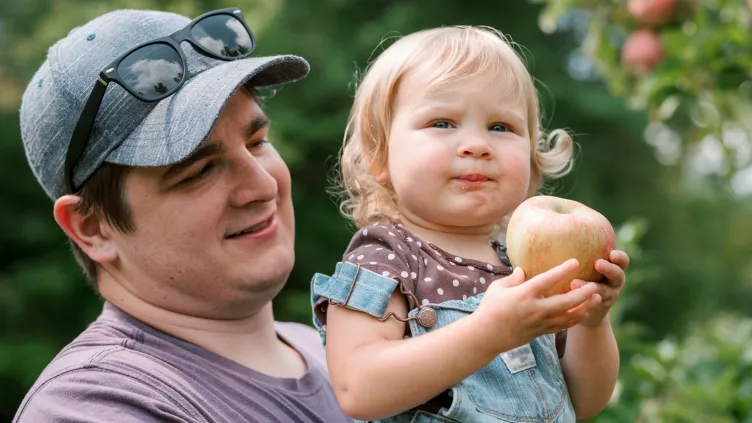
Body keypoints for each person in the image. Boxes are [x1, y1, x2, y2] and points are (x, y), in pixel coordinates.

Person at [14, 7, 351, 423]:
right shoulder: (97, 404)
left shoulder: (337, 355)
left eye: (258, 141)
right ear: (93, 227)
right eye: (200, 170)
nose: (264, 186)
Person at [311, 26, 630, 422]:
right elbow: (358, 388)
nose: (477, 145)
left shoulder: (525, 266)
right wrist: (490, 332)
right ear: (380, 155)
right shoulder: (387, 256)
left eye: (501, 127)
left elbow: (584, 402)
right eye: (443, 123)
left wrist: (592, 321)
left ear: (532, 159)